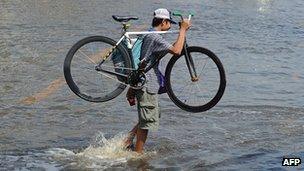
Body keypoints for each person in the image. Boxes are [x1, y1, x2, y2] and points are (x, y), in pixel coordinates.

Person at [124, 8, 191, 153]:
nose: (170, 26)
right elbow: (177, 51)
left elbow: (174, 48)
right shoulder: (155, 37)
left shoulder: (150, 34)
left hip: (143, 83)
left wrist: (132, 89)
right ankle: (137, 156)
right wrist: (183, 30)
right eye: (169, 23)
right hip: (147, 85)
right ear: (164, 21)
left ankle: (127, 140)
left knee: (153, 114)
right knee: (147, 123)